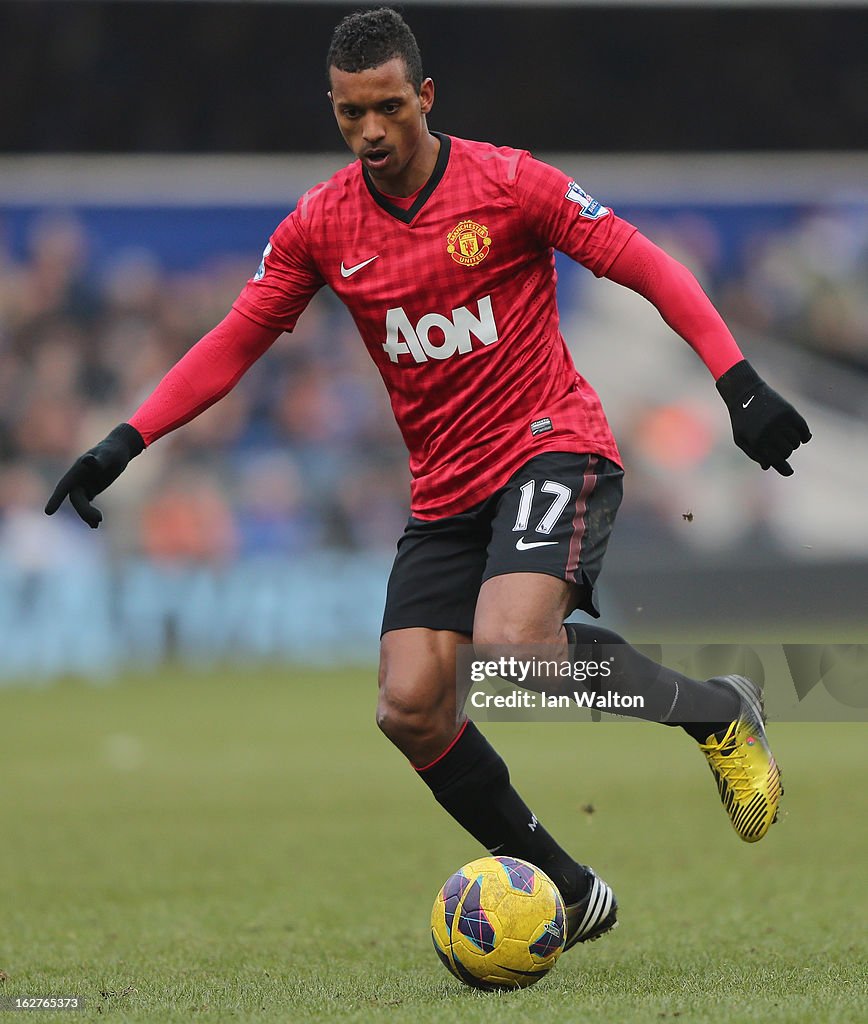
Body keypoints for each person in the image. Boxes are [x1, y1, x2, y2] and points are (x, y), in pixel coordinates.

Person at [45, 7, 810, 949]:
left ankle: (717, 715)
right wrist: (125, 439)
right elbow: (237, 339)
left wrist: (737, 379)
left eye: (389, 109)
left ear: (426, 98)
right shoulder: (323, 224)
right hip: (445, 489)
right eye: (349, 113)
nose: (370, 132)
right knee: (408, 706)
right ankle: (571, 891)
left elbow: (649, 267)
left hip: (549, 442)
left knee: (514, 644)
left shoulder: (509, 184)